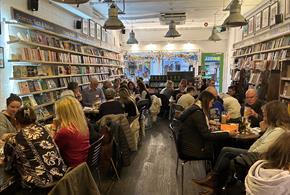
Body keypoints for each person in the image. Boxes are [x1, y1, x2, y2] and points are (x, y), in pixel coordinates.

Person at [193, 100, 290, 193]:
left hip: (260, 157)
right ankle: (215, 182)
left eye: (265, 115)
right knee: (226, 150)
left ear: (272, 116)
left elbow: (260, 149)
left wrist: (249, 151)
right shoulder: (272, 128)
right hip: (256, 154)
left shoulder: (279, 131)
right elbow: (258, 143)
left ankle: (214, 180)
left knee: (227, 152)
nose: (264, 118)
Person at [5, 106, 67, 189]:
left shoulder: (13, 140)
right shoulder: (45, 130)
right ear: (34, 118)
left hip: (39, 187)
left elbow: (9, 167)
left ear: (16, 121)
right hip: (62, 179)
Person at [178, 91, 232, 160]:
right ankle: (215, 169)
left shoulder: (194, 108)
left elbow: (198, 130)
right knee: (219, 146)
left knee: (217, 144)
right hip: (191, 150)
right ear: (206, 101)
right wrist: (228, 134)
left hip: (186, 145)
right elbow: (207, 135)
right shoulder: (198, 113)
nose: (211, 105)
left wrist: (208, 128)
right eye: (211, 103)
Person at [54, 96, 90, 167]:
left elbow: (54, 148)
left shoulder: (65, 131)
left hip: (72, 167)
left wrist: (54, 128)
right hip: (83, 162)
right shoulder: (82, 125)